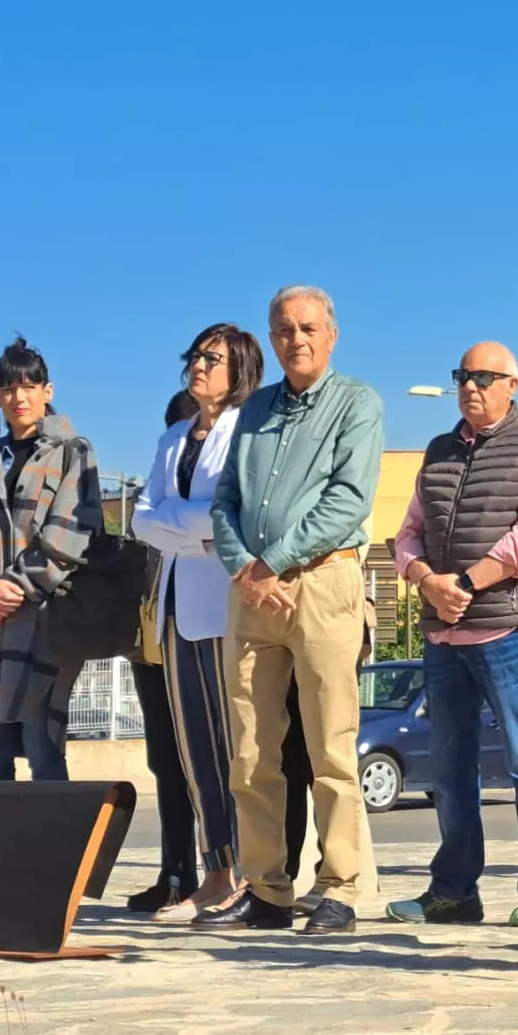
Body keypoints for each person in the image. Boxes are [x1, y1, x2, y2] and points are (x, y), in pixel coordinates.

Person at [202, 286, 382, 936]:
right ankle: (268, 889)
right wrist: (244, 568)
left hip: (321, 585)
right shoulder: (251, 412)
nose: (295, 338)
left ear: (330, 335)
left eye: (308, 327)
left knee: (330, 745)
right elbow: (223, 501)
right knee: (250, 753)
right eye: (283, 329)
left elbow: (348, 502)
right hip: (253, 594)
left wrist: (270, 560)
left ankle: (340, 887)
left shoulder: (357, 404)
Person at [385, 342, 518, 930]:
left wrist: (463, 582)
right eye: (463, 376)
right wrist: (425, 580)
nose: (471, 386)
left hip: (509, 632)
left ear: (513, 384)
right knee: (448, 768)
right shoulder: (438, 453)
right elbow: (406, 535)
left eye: (484, 377)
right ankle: (453, 891)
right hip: (443, 639)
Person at [133, 329, 263, 922]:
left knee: (235, 744)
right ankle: (213, 871)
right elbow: (140, 518)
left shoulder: (249, 431)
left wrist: (181, 528)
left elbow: (233, 515)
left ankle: (247, 872)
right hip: (179, 607)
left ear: (240, 368)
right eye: (194, 357)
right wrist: (195, 533)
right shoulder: (172, 437)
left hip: (229, 603)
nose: (198, 367)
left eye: (212, 359)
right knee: (192, 751)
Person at [0, 338, 104, 783]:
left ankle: (54, 853)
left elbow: (70, 534)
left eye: (29, 386)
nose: (19, 398)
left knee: (44, 753)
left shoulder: (73, 452)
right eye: (9, 389)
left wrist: (13, 590)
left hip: (44, 624)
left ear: (47, 391)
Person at [121, 388, 207, 915]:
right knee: (165, 762)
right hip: (151, 646)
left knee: (209, 761)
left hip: (202, 635)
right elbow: (141, 529)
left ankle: (227, 871)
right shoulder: (156, 489)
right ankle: (176, 872)